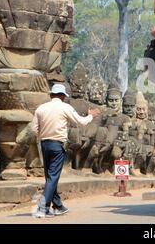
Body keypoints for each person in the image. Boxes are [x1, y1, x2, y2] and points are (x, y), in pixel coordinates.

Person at [32, 84, 100, 218]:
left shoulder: (41, 108)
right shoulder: (65, 107)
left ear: (51, 95)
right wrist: (91, 115)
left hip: (44, 144)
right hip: (57, 144)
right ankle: (42, 207)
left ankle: (58, 206)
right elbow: (81, 122)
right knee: (53, 176)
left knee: (50, 176)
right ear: (63, 96)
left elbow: (34, 129)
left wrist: (43, 135)